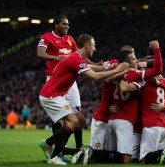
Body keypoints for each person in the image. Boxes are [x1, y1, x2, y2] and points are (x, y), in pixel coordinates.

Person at [39, 34, 129, 165]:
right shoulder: (75, 59)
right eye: (93, 45)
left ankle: (48, 143)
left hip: (56, 94)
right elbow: (95, 77)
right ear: (87, 45)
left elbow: (97, 68)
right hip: (51, 95)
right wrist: (118, 70)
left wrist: (111, 65)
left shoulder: (77, 58)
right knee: (73, 121)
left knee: (80, 121)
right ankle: (54, 157)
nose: (95, 48)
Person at [37, 15, 84, 150]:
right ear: (56, 25)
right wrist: (56, 57)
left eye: (68, 24)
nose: (66, 27)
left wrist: (95, 64)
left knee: (77, 113)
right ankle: (56, 150)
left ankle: (78, 149)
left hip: (70, 80)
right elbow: (40, 53)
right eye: (63, 24)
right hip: (54, 80)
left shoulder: (70, 39)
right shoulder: (47, 37)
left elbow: (79, 57)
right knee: (59, 117)